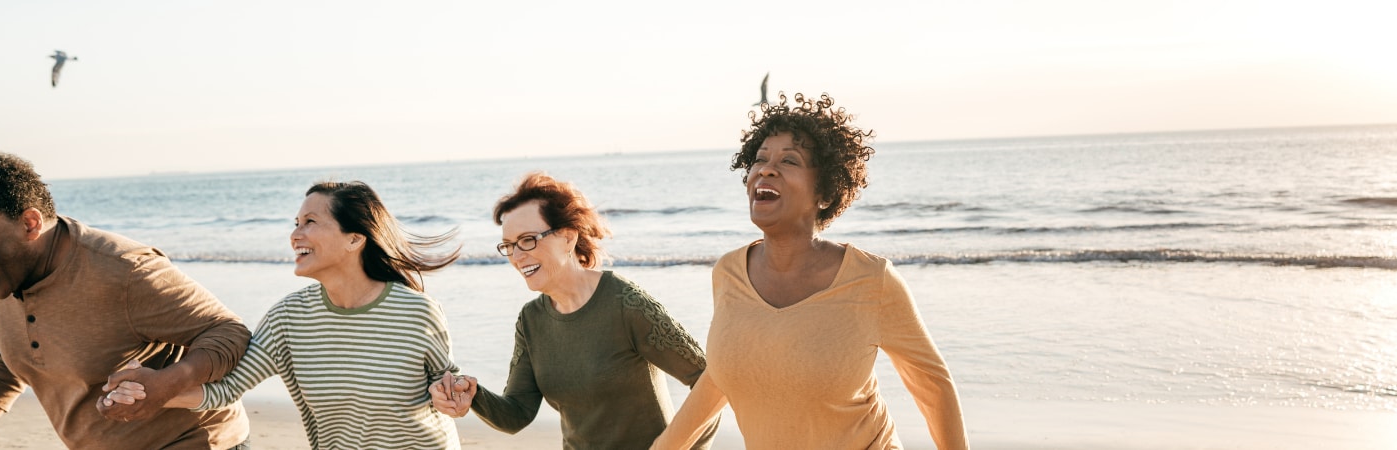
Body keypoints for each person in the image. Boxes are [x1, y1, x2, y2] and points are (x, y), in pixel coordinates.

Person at [653, 93, 970, 449]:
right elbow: (726, 373)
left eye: (790, 160)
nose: (766, 169)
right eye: (760, 159)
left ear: (824, 193)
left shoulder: (872, 280)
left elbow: (932, 384)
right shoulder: (728, 273)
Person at [104, 181, 468, 449]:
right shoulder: (289, 317)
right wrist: (150, 389)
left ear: (355, 239)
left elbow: (448, 386)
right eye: (295, 223)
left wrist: (451, 395)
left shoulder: (417, 312)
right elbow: (225, 390)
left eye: (310, 222)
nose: (296, 234)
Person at [0, 150, 252, 449]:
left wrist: (166, 384)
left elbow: (228, 331)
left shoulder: (126, 271)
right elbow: (11, 356)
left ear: (29, 224)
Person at [431, 172, 717, 449]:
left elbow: (712, 381)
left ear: (568, 238)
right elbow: (517, 413)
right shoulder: (531, 320)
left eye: (528, 239)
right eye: (509, 246)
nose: (517, 256)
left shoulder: (626, 303)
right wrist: (473, 394)